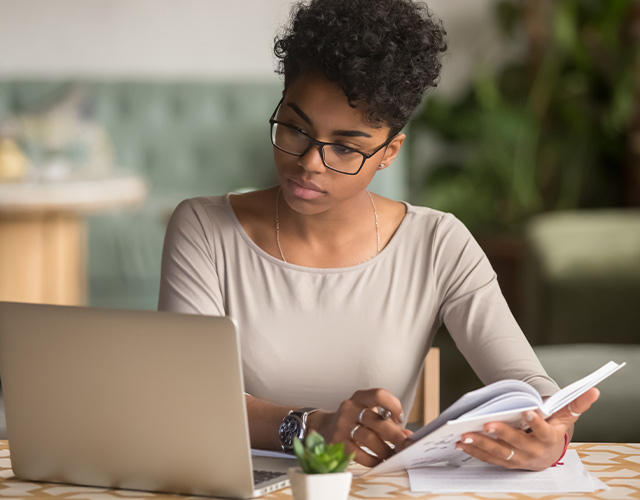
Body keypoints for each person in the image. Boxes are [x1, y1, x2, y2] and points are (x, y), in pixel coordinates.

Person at [158, 0, 598, 470]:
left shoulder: (437, 243)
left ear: (389, 152)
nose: (308, 162)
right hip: (235, 484)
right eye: (294, 128)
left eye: (346, 147)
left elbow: (525, 380)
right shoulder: (204, 230)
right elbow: (189, 393)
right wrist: (312, 428)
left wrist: (552, 434)